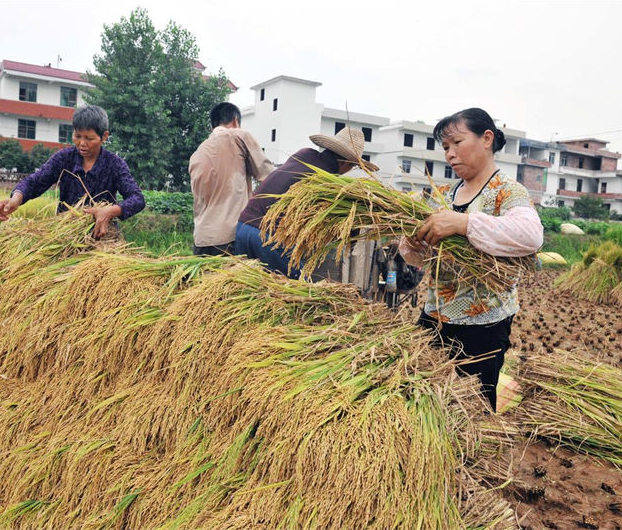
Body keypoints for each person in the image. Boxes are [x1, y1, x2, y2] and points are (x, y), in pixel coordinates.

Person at [399, 108, 543, 411]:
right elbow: (417, 257)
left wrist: (463, 224)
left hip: (483, 328)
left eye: (457, 143)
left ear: (486, 139)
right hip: (434, 317)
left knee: (471, 410)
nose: (450, 154)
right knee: (421, 402)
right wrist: (412, 242)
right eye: (445, 147)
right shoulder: (442, 195)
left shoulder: (507, 192)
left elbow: (531, 235)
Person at [235, 127, 378, 278]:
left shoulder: (304, 154)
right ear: (345, 163)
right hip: (267, 236)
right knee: (299, 285)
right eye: (352, 166)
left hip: (243, 227)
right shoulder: (328, 181)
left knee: (250, 284)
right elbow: (345, 216)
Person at [0, 105, 145, 238]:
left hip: (103, 238)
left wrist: (110, 211)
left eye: (89, 138)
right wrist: (16, 198)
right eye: (77, 136)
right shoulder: (64, 158)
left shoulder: (115, 164)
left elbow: (137, 199)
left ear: (104, 136)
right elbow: (35, 181)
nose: (82, 143)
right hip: (66, 236)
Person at [188, 102, 274, 256]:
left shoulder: (197, 153)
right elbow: (269, 176)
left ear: (212, 127)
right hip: (229, 238)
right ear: (235, 121)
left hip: (201, 239)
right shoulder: (238, 136)